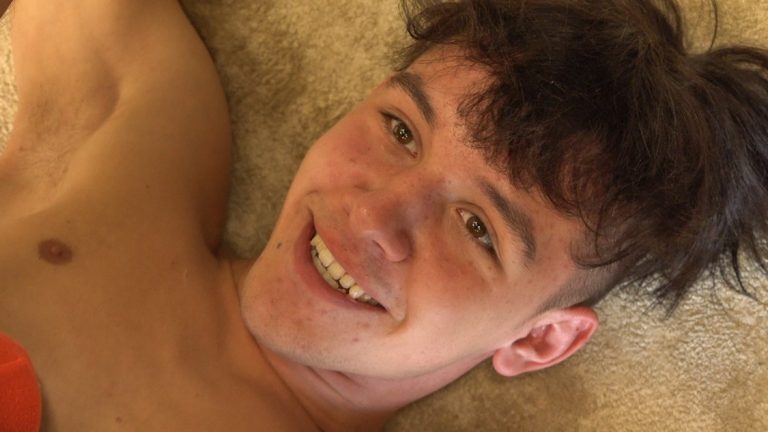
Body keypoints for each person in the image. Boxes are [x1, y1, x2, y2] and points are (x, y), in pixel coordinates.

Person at [1, 0, 766, 430]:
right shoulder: (139, 171)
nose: (371, 215)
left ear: (539, 340)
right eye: (401, 130)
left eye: (476, 226)